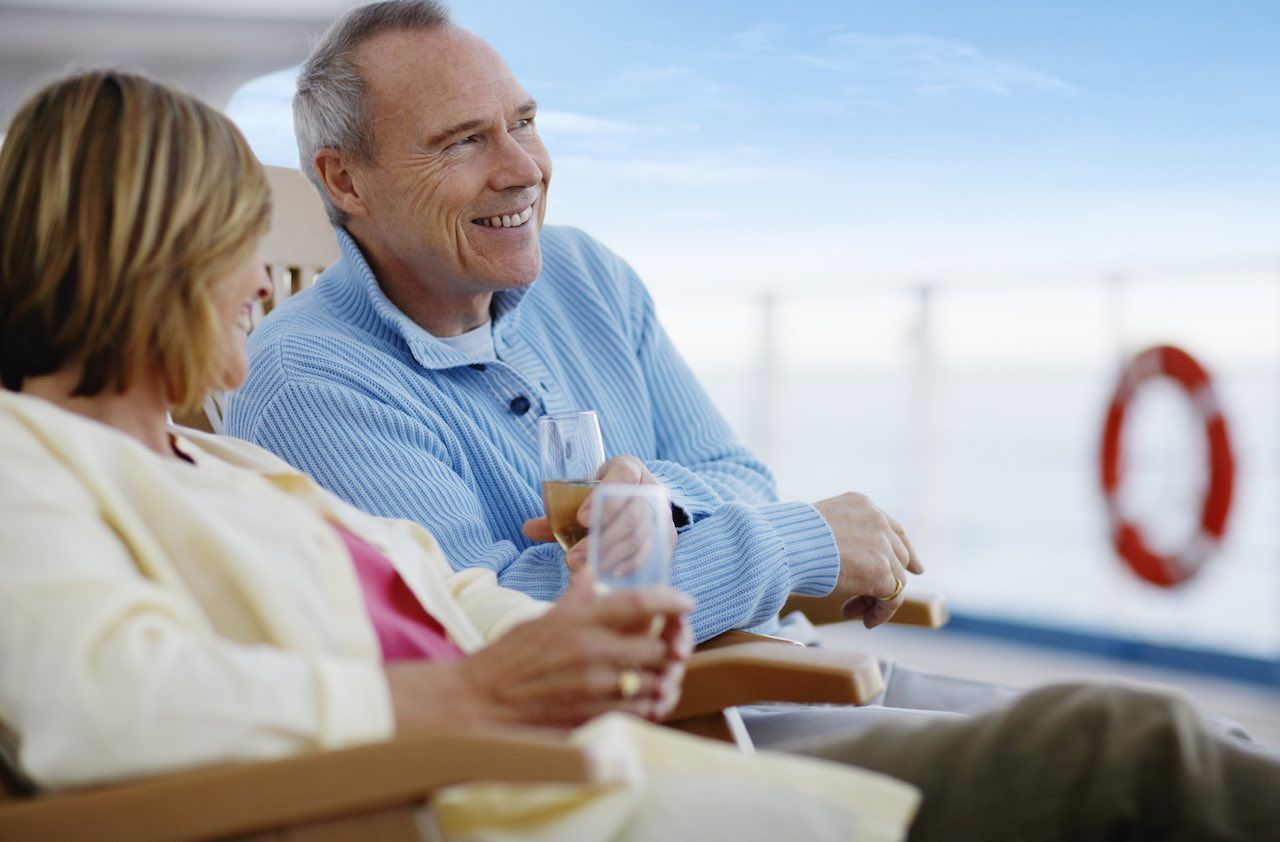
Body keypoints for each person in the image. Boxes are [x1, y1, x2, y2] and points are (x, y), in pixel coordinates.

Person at [4, 69, 1279, 842]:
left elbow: (487, 606)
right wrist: (477, 694)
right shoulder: (28, 462)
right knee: (1127, 755)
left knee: (1153, 744)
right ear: (152, 255)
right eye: (240, 251)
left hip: (590, 767)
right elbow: (103, 703)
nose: (261, 288)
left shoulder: (218, 466)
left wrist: (607, 591)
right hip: (506, 803)